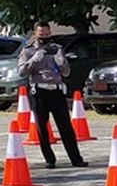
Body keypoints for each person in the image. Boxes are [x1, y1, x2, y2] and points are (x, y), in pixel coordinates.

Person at [17, 22, 88, 169]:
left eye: (46, 34)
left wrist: (61, 62)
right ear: (35, 34)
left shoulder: (57, 49)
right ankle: (49, 159)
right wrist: (34, 60)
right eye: (41, 34)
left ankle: (76, 158)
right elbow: (21, 72)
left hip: (56, 90)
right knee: (42, 127)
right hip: (39, 91)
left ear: (51, 33)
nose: (44, 37)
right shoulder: (28, 51)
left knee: (66, 127)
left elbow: (66, 72)